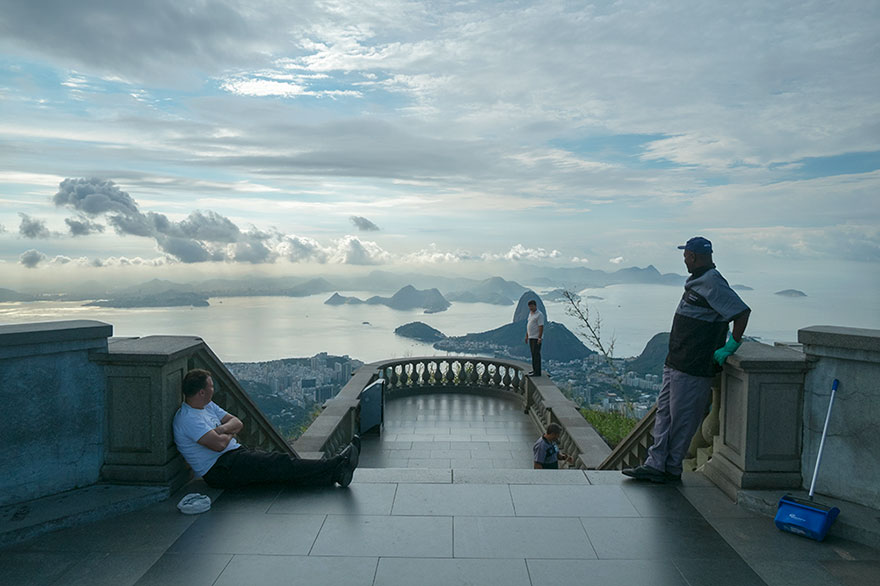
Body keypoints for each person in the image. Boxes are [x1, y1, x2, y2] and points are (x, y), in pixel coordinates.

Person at [623, 236, 750, 483]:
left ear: (693, 256)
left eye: (686, 256)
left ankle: (670, 468)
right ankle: (655, 464)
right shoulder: (697, 280)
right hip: (676, 362)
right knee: (665, 414)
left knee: (682, 419)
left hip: (693, 365)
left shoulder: (713, 281)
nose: (684, 260)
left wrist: (731, 345)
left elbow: (741, 312)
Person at [173, 368, 360, 488]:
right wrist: (230, 434)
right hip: (219, 470)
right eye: (211, 387)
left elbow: (238, 423)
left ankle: (335, 475)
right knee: (279, 463)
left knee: (277, 469)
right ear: (202, 392)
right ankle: (337, 464)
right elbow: (219, 445)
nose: (214, 390)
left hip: (232, 457)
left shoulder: (207, 406)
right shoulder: (188, 419)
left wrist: (222, 430)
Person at [524, 299, 545, 376]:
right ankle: (534, 369)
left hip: (536, 337)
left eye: (532, 306)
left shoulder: (539, 315)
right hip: (531, 337)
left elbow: (541, 326)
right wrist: (527, 336)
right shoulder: (530, 314)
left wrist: (539, 338)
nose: (531, 308)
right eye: (529, 307)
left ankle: (537, 372)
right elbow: (528, 325)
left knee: (536, 354)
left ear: (535, 306)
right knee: (533, 354)